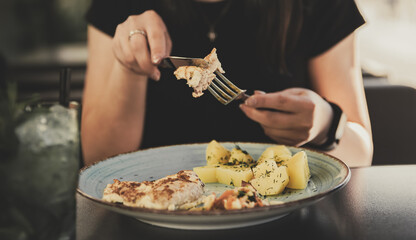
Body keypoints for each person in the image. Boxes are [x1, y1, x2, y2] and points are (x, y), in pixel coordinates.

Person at [81, 0, 373, 167]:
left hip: (290, 218)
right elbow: (98, 158)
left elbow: (361, 151)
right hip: (149, 211)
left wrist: (323, 124)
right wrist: (129, 68)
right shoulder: (117, 4)